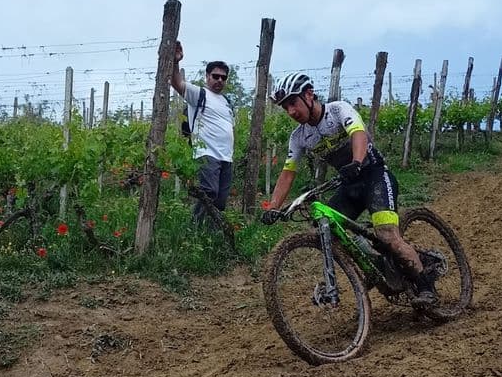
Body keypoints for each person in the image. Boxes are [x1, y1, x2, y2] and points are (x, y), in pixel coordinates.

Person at [260, 72, 439, 308]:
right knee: (326, 226)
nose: (291, 112)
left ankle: (426, 285)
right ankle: (378, 266)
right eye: (285, 108)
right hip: (349, 184)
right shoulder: (299, 137)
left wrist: (357, 161)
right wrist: (274, 207)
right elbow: (288, 172)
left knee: (386, 235)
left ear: (309, 95)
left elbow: (358, 133)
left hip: (374, 175)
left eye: (293, 103)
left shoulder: (337, 110)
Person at [171, 41, 235, 224]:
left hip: (226, 157)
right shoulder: (199, 94)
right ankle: (195, 229)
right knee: (209, 193)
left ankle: (212, 234)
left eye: (223, 78)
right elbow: (176, 82)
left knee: (220, 201)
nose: (219, 80)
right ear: (207, 76)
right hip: (207, 153)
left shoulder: (227, 102)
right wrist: (176, 62)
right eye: (215, 76)